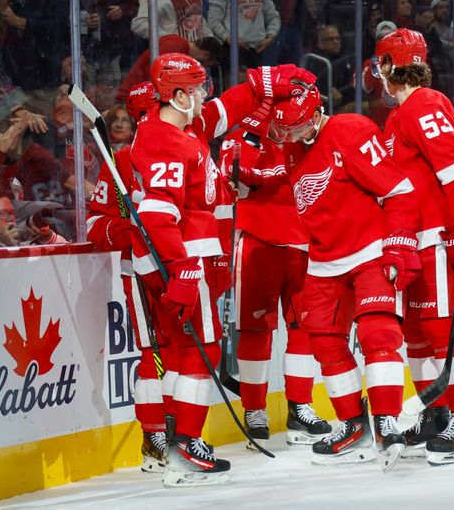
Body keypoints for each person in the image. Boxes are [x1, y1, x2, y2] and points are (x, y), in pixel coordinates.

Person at [130, 54, 317, 485]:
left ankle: (179, 441)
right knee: (202, 351)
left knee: (181, 353)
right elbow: (159, 214)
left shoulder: (183, 127)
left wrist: (267, 81)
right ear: (177, 96)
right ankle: (186, 448)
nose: (203, 96)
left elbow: (228, 107)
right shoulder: (167, 141)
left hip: (177, 259)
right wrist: (180, 270)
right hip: (181, 259)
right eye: (196, 89)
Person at [268, 86, 421, 468]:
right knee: (323, 342)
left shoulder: (349, 129)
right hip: (322, 259)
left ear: (316, 113)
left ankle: (386, 419)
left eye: (297, 127)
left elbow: (398, 189)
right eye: (283, 130)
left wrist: (399, 243)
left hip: (369, 250)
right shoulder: (290, 145)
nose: (289, 136)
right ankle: (354, 424)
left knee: (378, 333)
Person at [373, 28, 454, 464]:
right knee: (418, 333)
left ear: (390, 66)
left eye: (381, 66)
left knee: (442, 330)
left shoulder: (423, 103)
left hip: (440, 236)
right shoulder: (400, 114)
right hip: (417, 239)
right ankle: (436, 411)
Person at [217, 126, 331, 447]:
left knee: (303, 327)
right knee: (256, 330)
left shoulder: (310, 138)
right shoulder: (242, 138)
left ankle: (300, 406)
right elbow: (234, 175)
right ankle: (254, 410)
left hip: (303, 242)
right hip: (257, 239)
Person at [86, 80, 170, 473]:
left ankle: (184, 431)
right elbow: (94, 224)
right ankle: (155, 436)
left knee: (184, 353)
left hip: (182, 267)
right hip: (139, 270)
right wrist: (130, 230)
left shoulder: (184, 149)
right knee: (153, 354)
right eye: (156, 110)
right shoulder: (120, 162)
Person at [115, 34, 221, 103]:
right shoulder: (175, 47)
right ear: (206, 55)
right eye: (208, 64)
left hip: (138, 95)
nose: (203, 67)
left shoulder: (177, 44)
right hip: (134, 96)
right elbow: (153, 74)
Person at [208, 0, 280, 69]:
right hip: (234, 51)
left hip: (258, 50)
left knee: (257, 82)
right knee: (235, 82)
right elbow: (213, 20)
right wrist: (229, 39)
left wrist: (271, 36)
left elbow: (273, 16)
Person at [131, 0, 212, 43]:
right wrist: (171, 40)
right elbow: (138, 23)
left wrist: (210, 38)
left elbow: (198, 17)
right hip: (174, 56)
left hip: (199, 53)